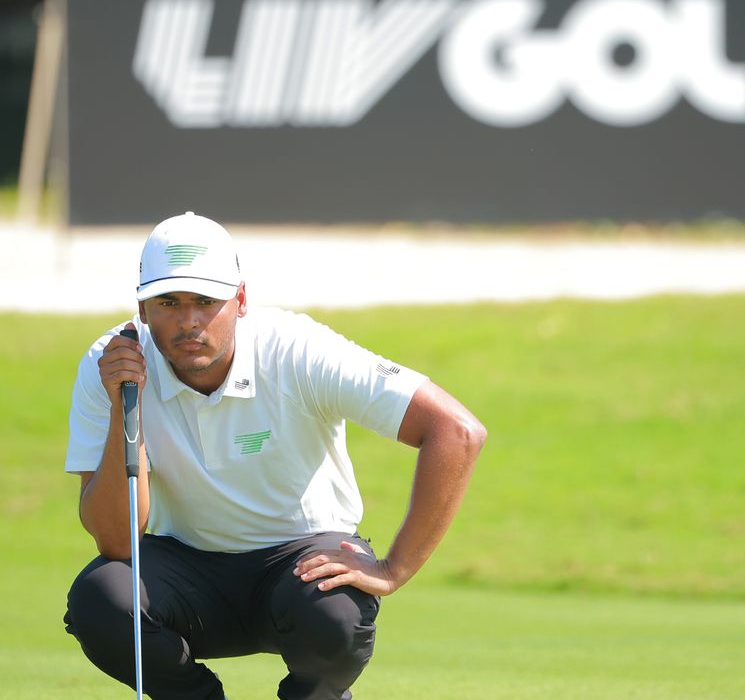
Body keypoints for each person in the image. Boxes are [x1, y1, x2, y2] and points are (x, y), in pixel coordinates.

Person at [62, 211, 487, 700]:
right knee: (102, 598)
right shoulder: (111, 365)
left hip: (300, 563)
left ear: (240, 300)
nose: (188, 320)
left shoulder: (297, 351)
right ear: (142, 307)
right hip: (188, 568)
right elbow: (119, 542)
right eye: (168, 302)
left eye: (206, 300)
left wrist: (393, 569)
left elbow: (456, 431)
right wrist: (124, 405)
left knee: (337, 614)